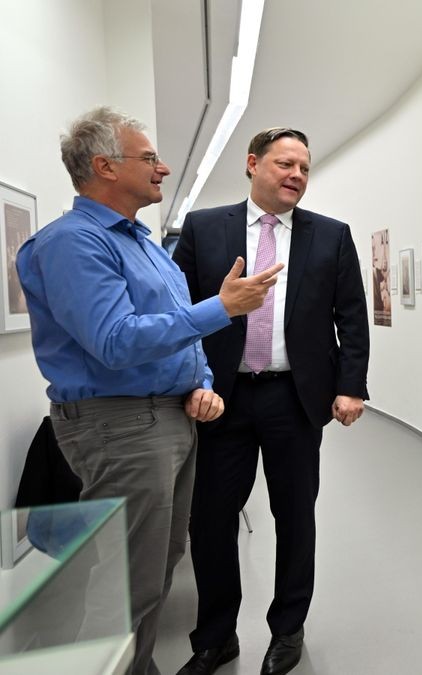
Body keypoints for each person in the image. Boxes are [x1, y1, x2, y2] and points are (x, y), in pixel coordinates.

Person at [15, 106, 281, 675]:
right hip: (121, 425)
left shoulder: (141, 242)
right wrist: (223, 308)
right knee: (125, 582)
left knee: (158, 565)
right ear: (105, 167)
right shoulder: (72, 244)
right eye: (150, 158)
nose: (162, 169)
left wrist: (202, 384)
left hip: (166, 419)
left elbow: (175, 335)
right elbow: (112, 341)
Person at [172, 127, 370, 675]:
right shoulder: (205, 229)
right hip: (221, 398)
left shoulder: (330, 236)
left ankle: (287, 630)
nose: (296, 176)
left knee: (295, 517)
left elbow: (352, 317)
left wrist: (351, 385)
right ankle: (215, 637)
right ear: (253, 164)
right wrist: (191, 383)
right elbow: (180, 317)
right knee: (210, 521)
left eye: (304, 168)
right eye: (285, 164)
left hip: (295, 398)